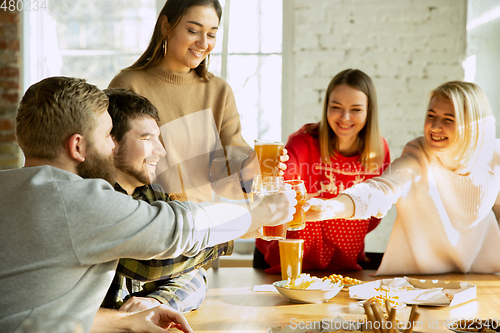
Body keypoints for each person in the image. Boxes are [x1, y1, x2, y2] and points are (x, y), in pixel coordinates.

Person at [0, 76, 296, 333]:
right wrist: (263, 212)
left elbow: (29, 317)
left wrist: (125, 322)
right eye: (106, 136)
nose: (112, 147)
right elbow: (182, 228)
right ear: (77, 146)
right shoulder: (77, 200)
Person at [304, 81, 500, 275]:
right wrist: (331, 207)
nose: (435, 126)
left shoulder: (495, 156)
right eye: (431, 116)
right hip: (417, 281)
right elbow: (379, 190)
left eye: (449, 119)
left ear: (474, 125)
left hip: (482, 277)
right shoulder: (418, 155)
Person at [108, 0, 284, 203]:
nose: (203, 43)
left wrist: (252, 166)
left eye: (211, 34)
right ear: (166, 26)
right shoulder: (129, 84)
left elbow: (226, 169)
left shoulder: (218, 91)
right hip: (151, 222)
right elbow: (112, 161)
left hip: (204, 226)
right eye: (193, 30)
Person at [101, 88, 230, 314]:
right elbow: (149, 263)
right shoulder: (95, 198)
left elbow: (194, 273)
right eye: (146, 138)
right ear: (112, 143)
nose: (161, 150)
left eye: (158, 138)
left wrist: (159, 302)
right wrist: (238, 225)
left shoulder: (154, 195)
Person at [255, 69, 391, 272]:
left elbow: (375, 211)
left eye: (356, 109)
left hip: (344, 262)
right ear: (326, 107)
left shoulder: (379, 150)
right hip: (286, 260)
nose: (345, 117)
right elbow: (277, 192)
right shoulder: (302, 143)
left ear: (369, 111)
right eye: (336, 107)